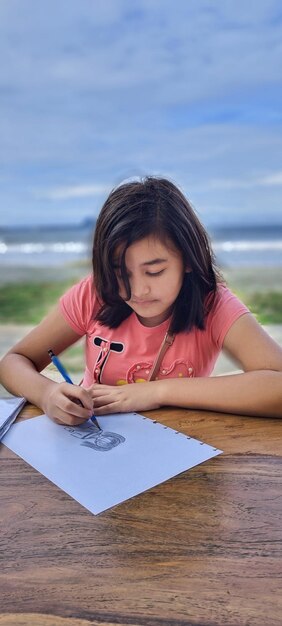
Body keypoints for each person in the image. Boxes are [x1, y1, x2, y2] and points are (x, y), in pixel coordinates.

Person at [1, 177, 282, 423]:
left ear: (188, 258)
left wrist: (156, 392)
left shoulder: (213, 304)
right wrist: (46, 393)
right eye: (120, 272)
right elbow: (13, 361)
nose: (138, 290)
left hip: (182, 448)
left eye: (155, 271)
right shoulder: (95, 293)